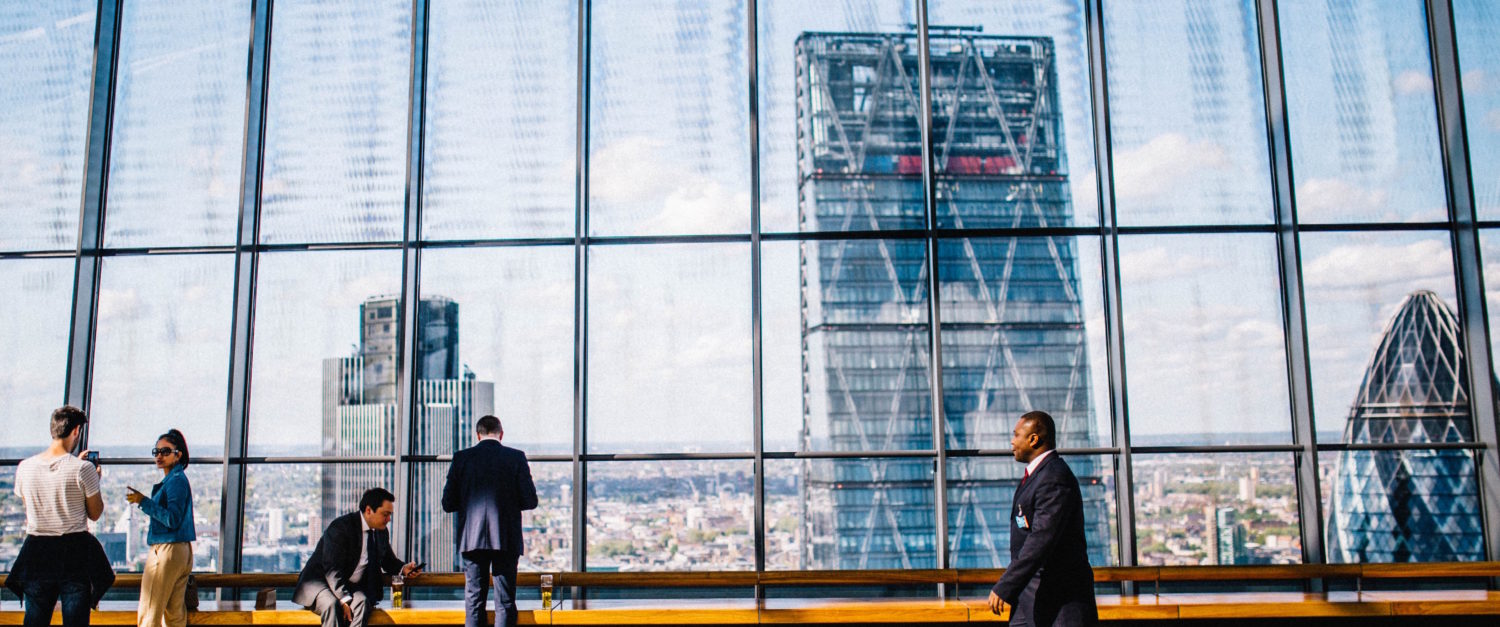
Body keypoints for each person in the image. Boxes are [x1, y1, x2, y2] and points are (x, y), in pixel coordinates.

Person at [4, 406, 114, 627]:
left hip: (37, 552)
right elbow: (95, 513)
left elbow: (29, 509)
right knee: (75, 621)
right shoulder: (83, 469)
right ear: (76, 431)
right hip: (73, 553)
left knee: (35, 619)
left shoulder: (24, 468)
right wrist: (94, 479)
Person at [988, 410, 1097, 627]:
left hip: (1059, 605)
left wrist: (1006, 585)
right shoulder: (1039, 476)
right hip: (1031, 601)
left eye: (1017, 435)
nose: (1012, 442)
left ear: (1034, 439)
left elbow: (1041, 539)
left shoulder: (1054, 478)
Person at [442, 415, 538, 627]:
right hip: (505, 537)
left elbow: (448, 503)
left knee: (474, 600)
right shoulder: (516, 457)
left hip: (472, 538)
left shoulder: (461, 458)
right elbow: (530, 501)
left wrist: (468, 501)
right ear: (501, 434)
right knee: (504, 602)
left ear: (478, 435)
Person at [293, 488, 423, 627]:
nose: (389, 519)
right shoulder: (341, 527)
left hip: (347, 586)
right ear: (368, 510)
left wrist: (404, 568)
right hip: (320, 582)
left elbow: (387, 560)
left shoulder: (381, 532)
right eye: (385, 514)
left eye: (390, 515)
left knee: (362, 602)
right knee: (331, 605)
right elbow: (331, 569)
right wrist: (344, 599)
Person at [125, 429, 197, 627]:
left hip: (166, 551)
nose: (159, 456)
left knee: (149, 614)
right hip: (181, 551)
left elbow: (172, 519)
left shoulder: (175, 482)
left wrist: (143, 501)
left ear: (178, 454)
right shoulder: (177, 480)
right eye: (156, 452)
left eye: (165, 451)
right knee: (173, 615)